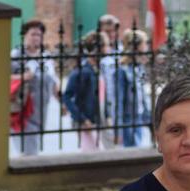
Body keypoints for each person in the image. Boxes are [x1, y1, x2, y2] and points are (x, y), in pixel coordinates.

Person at [10, 19, 60, 156]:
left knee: (32, 148)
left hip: (42, 110)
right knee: (29, 152)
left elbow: (53, 81)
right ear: (25, 35)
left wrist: (61, 101)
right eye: (33, 34)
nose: (36, 38)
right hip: (22, 109)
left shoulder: (46, 57)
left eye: (39, 35)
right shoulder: (16, 55)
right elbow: (2, 79)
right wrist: (23, 76)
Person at [63, 30, 108, 151]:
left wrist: (107, 115)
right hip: (87, 122)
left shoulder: (98, 69)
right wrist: (82, 119)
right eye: (105, 45)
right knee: (94, 154)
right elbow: (67, 96)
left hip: (98, 120)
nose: (108, 49)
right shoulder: (82, 71)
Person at [116, 29, 151, 147]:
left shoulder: (139, 67)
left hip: (139, 116)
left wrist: (149, 118)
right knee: (131, 149)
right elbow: (119, 100)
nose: (146, 47)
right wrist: (118, 127)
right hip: (128, 118)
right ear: (136, 46)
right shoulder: (123, 70)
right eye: (144, 43)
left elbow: (143, 95)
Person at [99, 13, 121, 148]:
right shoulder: (95, 51)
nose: (111, 34)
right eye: (107, 31)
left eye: (114, 31)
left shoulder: (122, 50)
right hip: (101, 103)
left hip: (119, 101)